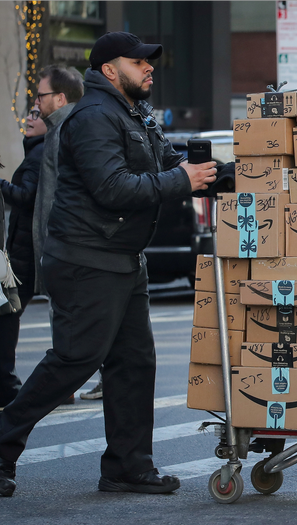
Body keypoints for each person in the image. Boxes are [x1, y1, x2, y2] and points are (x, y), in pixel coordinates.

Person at [0, 31, 217, 497]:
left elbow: (171, 164)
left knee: (134, 363)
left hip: (120, 256)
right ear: (108, 70)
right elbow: (114, 188)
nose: (149, 68)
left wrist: (230, 173)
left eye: (149, 62)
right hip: (86, 257)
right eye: (138, 62)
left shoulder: (135, 114)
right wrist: (182, 180)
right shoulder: (95, 116)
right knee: (74, 361)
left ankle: (127, 466)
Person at [33, 65, 85, 405]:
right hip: (65, 249)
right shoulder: (59, 129)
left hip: (65, 251)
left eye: (41, 95)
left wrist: (51, 249)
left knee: (70, 331)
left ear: (60, 97)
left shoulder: (66, 129)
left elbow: (56, 197)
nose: (36, 103)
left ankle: (54, 391)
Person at [0, 107, 46, 411]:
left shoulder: (40, 153)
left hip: (25, 253)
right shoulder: (39, 151)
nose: (28, 118)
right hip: (23, 250)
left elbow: (27, 197)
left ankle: (9, 388)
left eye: (36, 112)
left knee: (7, 317)